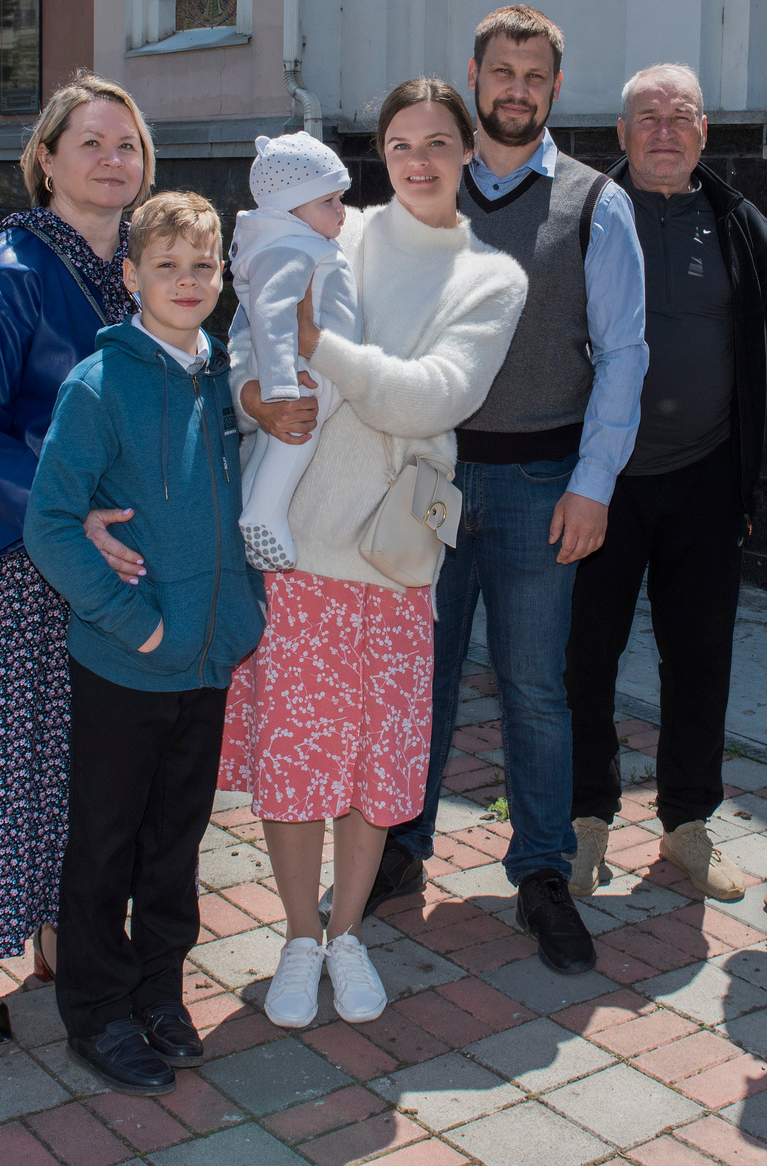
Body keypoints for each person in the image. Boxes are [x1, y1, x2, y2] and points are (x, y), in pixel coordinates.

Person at [220, 81, 527, 1029]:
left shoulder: (491, 278)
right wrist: (255, 399)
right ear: (378, 154)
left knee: (372, 768)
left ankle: (345, 932)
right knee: (296, 761)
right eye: (400, 142)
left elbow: (436, 396)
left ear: (469, 152)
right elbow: (242, 341)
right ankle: (295, 937)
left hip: (394, 559)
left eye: (439, 141)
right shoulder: (327, 229)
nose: (420, 159)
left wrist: (325, 352)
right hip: (297, 547)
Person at [376, 6, 648, 978]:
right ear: (474, 73)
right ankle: (398, 848)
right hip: (432, 479)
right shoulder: (428, 189)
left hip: (543, 484)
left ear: (554, 88)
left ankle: (540, 872)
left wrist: (593, 486)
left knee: (536, 688)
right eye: (502, 71)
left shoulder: (593, 204)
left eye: (535, 75)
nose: (517, 89)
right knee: (423, 673)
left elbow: (623, 355)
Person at [0, 72, 155, 1044]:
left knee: (88, 763)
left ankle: (66, 926)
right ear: (47, 160)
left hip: (117, 561)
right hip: (22, 556)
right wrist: (66, 519)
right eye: (91, 142)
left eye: (127, 144)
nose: (112, 159)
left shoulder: (141, 269)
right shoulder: (4, 272)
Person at [22, 191, 267, 1093]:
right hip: (126, 663)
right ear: (130, 276)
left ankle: (160, 990)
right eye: (166, 266)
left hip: (206, 661)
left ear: (223, 274)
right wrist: (139, 622)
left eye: (203, 265)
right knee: (106, 843)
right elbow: (51, 522)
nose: (187, 281)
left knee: (175, 840)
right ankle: (96, 1011)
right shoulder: (99, 384)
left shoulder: (219, 371)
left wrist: (239, 613)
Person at [565, 64, 767, 904]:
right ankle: (585, 819)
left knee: (700, 659)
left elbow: (759, 353)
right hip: (599, 485)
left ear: (704, 131)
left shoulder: (740, 224)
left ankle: (688, 822)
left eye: (678, 116)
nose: (662, 130)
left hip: (704, 480)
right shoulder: (581, 217)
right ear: (619, 133)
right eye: (645, 117)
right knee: (585, 659)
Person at [231, 132, 360, 572]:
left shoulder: (295, 242)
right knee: (298, 434)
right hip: (302, 372)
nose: (341, 210)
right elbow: (271, 313)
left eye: (341, 198)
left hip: (298, 366)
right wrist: (282, 384)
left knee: (277, 442)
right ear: (290, 210)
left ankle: (252, 502)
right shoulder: (289, 247)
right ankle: (265, 514)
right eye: (329, 201)